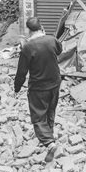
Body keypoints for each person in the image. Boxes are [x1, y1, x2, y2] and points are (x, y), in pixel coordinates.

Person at [14, 17, 63, 162]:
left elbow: (21, 72)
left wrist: (17, 88)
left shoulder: (28, 47)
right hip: (55, 83)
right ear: (41, 27)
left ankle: (49, 143)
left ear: (29, 31)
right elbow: (59, 51)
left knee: (38, 116)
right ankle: (50, 135)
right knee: (50, 110)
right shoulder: (52, 40)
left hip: (38, 87)